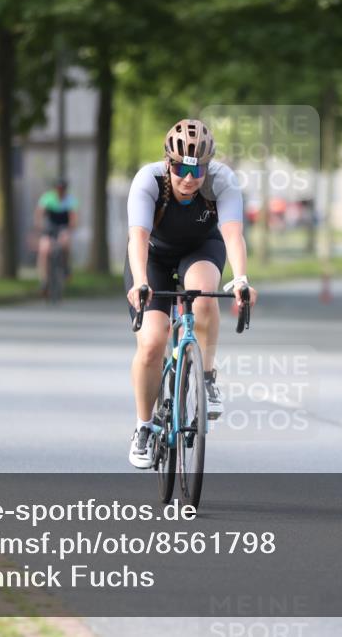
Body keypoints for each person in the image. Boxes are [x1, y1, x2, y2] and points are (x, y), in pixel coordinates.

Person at [124, 119, 258, 469]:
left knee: (204, 295)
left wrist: (241, 279)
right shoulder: (148, 181)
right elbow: (137, 238)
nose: (189, 176)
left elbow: (232, 235)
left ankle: (208, 378)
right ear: (168, 162)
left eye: (198, 168)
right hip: (152, 255)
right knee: (153, 342)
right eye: (181, 167)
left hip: (201, 248)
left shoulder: (222, 181)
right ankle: (143, 426)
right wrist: (140, 282)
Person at [35, 178, 78, 293]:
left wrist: (69, 229)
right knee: (44, 250)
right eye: (58, 189)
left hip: (63, 227)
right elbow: (39, 214)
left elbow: (73, 218)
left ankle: (66, 268)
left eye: (62, 189)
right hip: (49, 227)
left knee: (66, 243)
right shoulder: (47, 198)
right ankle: (44, 280)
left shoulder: (70, 200)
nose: (60, 192)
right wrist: (40, 226)